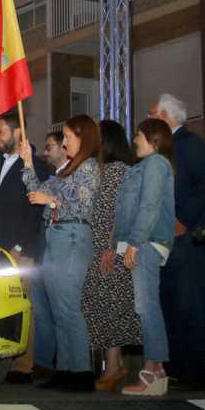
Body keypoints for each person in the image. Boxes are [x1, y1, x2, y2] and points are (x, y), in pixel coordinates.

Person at [22, 115, 101, 391]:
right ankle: (66, 368)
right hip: (56, 238)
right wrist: (28, 164)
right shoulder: (66, 170)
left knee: (68, 306)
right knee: (58, 308)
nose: (64, 142)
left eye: (68, 137)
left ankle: (80, 370)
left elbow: (81, 204)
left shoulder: (89, 167)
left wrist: (52, 202)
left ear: (83, 137)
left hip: (72, 236)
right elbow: (36, 192)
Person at [150, 93, 205, 390]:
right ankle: (175, 368)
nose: (148, 119)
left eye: (153, 114)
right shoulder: (162, 150)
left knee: (189, 304)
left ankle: (193, 372)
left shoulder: (190, 144)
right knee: (169, 304)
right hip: (164, 240)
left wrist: (185, 219)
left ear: (167, 116)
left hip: (188, 239)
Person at [0, 111, 41, 383]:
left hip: (17, 248)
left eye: (1, 132)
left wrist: (18, 245)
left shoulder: (34, 163)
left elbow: (33, 211)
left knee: (21, 303)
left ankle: (25, 364)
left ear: (17, 132)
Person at [112, 118, 176, 396]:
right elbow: (126, 211)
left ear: (154, 138)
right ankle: (155, 370)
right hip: (139, 243)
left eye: (138, 135)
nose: (134, 140)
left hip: (147, 243)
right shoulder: (141, 168)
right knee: (143, 306)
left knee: (147, 305)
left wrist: (135, 244)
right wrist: (120, 245)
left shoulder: (156, 165)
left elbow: (149, 206)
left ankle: (154, 372)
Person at [84, 119, 141, 391]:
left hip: (112, 251)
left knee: (112, 307)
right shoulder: (102, 170)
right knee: (103, 306)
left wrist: (110, 246)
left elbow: (121, 213)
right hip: (99, 249)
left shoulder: (120, 172)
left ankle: (115, 366)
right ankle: (113, 365)